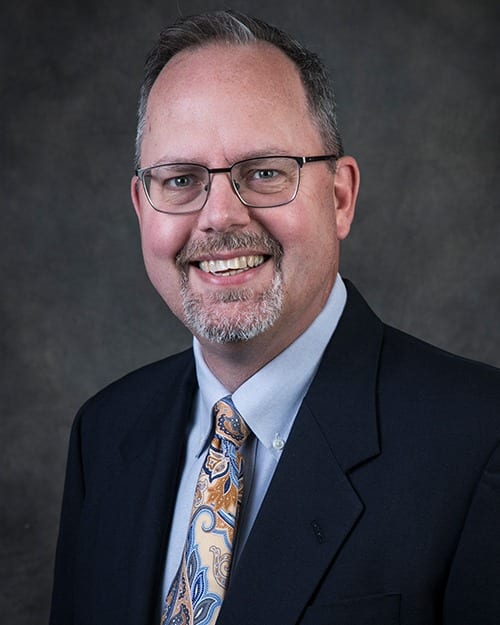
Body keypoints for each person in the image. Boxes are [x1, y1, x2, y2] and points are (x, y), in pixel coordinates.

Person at [49, 10, 500, 625]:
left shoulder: (479, 437)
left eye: (264, 173)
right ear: (141, 206)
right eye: (180, 179)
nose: (219, 217)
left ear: (339, 197)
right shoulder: (104, 435)